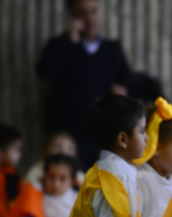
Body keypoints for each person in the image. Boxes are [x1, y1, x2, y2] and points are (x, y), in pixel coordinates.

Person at [36, 0, 131, 169]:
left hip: (103, 137)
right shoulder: (59, 45)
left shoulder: (112, 49)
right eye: (83, 13)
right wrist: (69, 42)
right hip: (67, 138)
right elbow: (45, 74)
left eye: (93, 11)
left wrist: (122, 92)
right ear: (73, 17)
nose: (90, 18)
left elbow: (127, 81)